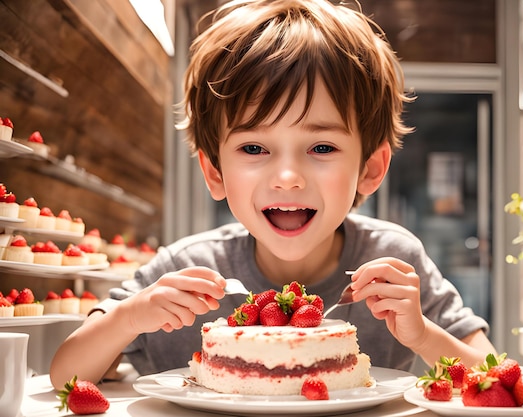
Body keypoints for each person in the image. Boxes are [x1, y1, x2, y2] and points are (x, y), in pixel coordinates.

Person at [50, 0, 496, 390]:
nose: (287, 177)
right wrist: (130, 317)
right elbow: (67, 375)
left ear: (371, 168)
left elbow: (494, 374)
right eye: (254, 148)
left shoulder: (394, 259)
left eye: (321, 147)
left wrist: (422, 335)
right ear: (214, 171)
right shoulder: (186, 266)